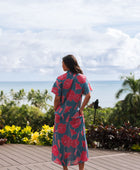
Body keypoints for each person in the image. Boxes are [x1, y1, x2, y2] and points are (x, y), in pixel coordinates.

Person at [51, 54, 92, 170]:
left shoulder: (60, 79)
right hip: (76, 115)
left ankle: (65, 169)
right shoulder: (82, 78)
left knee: (62, 143)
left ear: (67, 64)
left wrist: (56, 109)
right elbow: (88, 95)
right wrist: (81, 109)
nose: (62, 65)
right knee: (80, 143)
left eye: (63, 63)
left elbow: (57, 98)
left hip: (62, 116)